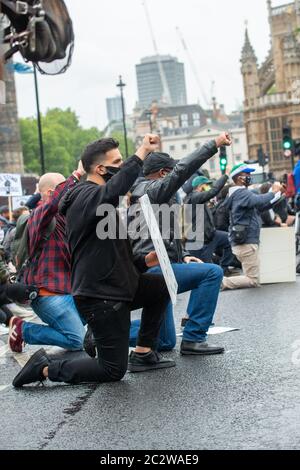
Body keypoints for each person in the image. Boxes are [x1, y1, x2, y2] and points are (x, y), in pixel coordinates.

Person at [13, 135, 175, 388]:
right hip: (101, 295)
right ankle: (45, 368)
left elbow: (111, 254)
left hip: (116, 285)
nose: (122, 166)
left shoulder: (97, 200)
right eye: (117, 162)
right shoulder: (86, 196)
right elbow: (115, 188)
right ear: (100, 169)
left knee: (160, 288)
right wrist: (142, 151)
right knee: (112, 370)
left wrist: (145, 261)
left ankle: (142, 352)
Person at [128, 133, 232, 356]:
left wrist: (183, 255)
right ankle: (194, 338)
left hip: (156, 267)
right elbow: (183, 168)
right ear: (164, 174)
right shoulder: (152, 191)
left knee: (165, 341)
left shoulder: (145, 194)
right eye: (172, 174)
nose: (179, 183)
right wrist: (213, 145)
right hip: (156, 271)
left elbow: (160, 236)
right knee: (212, 272)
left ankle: (102, 334)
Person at [8, 163, 87, 354]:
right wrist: (77, 174)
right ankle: (23, 329)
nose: (72, 191)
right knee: (77, 340)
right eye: (66, 188)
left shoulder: (63, 216)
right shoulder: (40, 215)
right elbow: (54, 203)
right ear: (53, 193)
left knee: (98, 314)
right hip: (49, 294)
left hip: (69, 291)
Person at [222, 164, 282, 291]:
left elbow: (259, 208)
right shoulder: (241, 193)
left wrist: (277, 197)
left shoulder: (238, 194)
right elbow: (259, 200)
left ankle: (222, 282)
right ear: (239, 178)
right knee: (252, 280)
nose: (250, 176)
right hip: (246, 242)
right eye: (247, 174)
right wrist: (273, 192)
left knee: (252, 277)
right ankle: (221, 282)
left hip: (244, 242)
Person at [185, 175, 235, 274]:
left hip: (211, 234)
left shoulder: (200, 199)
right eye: (207, 185)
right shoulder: (194, 197)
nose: (209, 187)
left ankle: (223, 268)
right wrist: (225, 175)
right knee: (205, 267)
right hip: (201, 239)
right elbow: (213, 191)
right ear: (200, 186)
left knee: (231, 239)